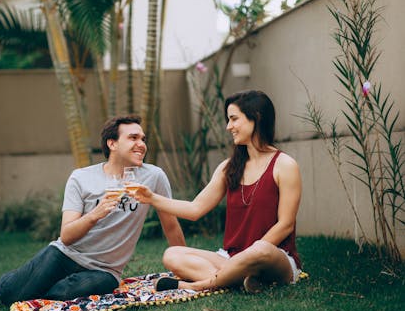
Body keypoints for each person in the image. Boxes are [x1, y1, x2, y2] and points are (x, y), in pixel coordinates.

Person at [0, 115, 186, 305]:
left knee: (60, 294)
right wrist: (96, 214)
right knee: (11, 295)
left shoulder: (153, 177)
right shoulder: (81, 178)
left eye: (143, 139)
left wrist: (184, 267)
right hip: (65, 255)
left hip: (105, 271)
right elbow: (67, 236)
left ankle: (35, 284)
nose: (141, 144)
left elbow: (170, 224)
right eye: (133, 138)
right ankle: (12, 281)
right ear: (112, 143)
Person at [129, 90, 302, 293]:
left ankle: (201, 285)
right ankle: (243, 279)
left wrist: (248, 255)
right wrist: (151, 198)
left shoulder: (285, 165)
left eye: (234, 119)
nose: (229, 127)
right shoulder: (228, 167)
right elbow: (195, 209)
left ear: (256, 118)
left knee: (261, 250)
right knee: (172, 254)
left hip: (274, 256)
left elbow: (285, 225)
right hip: (230, 257)